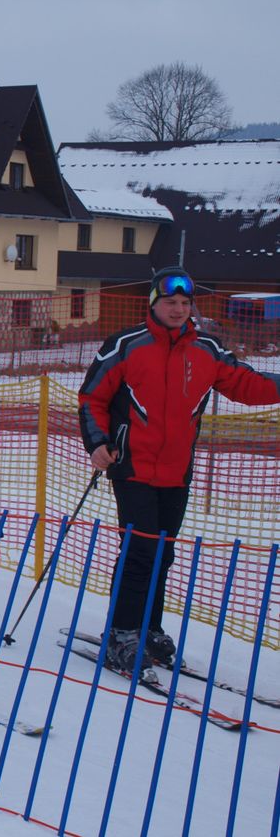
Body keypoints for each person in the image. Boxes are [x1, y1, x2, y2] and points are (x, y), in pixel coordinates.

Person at [79, 266, 280, 671]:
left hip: (176, 470)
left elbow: (245, 383)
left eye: (185, 303)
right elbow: (91, 399)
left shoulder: (206, 348)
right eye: (170, 301)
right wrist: (98, 444)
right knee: (140, 551)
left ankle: (148, 627)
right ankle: (121, 632)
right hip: (131, 466)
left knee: (162, 553)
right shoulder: (125, 344)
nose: (178, 309)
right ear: (154, 303)